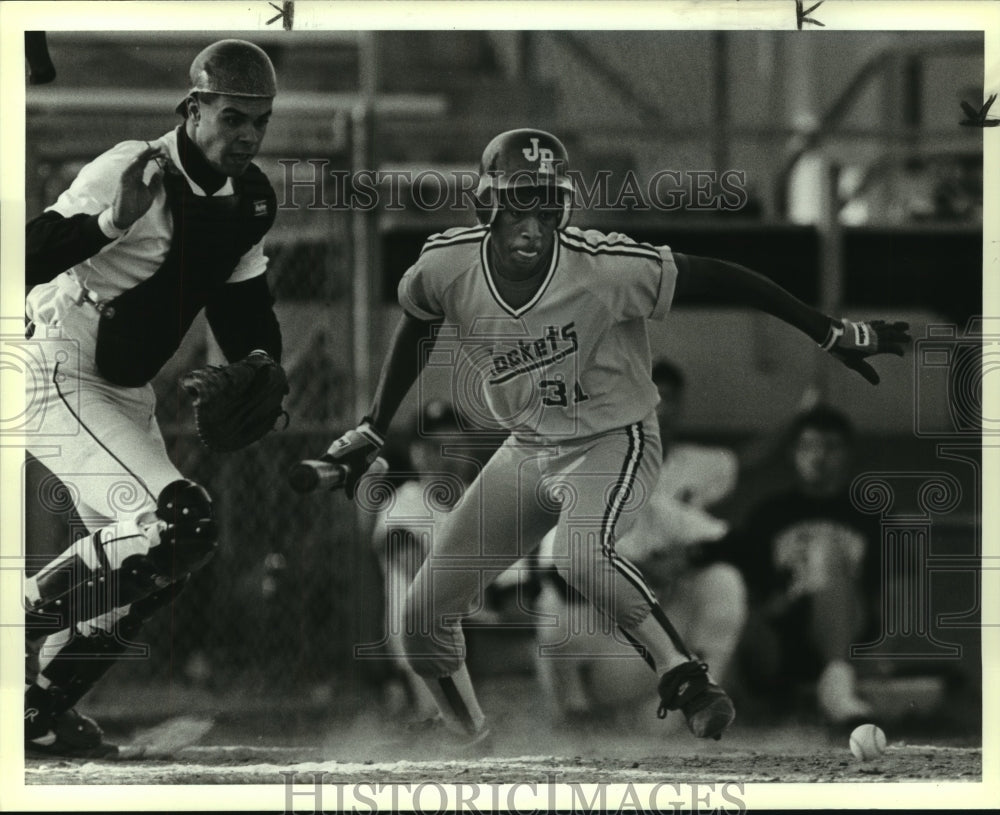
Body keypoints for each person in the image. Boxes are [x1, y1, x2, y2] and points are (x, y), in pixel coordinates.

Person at [324, 128, 909, 747]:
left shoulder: (603, 268)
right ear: (485, 204)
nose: (533, 225)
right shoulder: (446, 266)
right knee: (420, 619)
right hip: (529, 447)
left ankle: (685, 677)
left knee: (578, 553)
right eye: (518, 204)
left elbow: (721, 276)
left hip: (613, 437)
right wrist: (373, 425)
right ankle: (469, 737)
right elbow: (418, 324)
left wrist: (826, 330)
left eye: (548, 205)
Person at [23, 39, 284, 757]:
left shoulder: (248, 199)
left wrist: (263, 366)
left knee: (161, 568)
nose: (249, 135)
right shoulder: (132, 167)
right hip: (56, 365)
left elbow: (243, 312)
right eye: (233, 118)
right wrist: (109, 224)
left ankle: (34, 710)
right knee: (177, 525)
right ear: (193, 109)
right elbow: (23, 255)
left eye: (260, 121)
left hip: (121, 384)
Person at [532, 359, 747, 727]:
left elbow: (734, 543)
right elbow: (554, 577)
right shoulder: (578, 500)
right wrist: (643, 571)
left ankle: (702, 699)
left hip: (652, 663)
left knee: (724, 580)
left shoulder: (653, 506)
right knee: (551, 604)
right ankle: (572, 715)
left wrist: (685, 556)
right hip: (598, 658)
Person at [705, 406, 882, 725]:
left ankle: (836, 682)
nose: (820, 457)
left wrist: (886, 654)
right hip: (779, 640)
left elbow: (898, 591)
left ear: (848, 453)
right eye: (809, 446)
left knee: (825, 551)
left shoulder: (871, 516)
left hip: (848, 633)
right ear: (793, 453)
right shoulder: (769, 513)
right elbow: (744, 594)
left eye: (831, 447)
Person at [370, 401, 480, 719]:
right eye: (434, 447)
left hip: (481, 630)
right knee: (449, 724)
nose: (445, 457)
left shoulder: (483, 500)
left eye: (455, 446)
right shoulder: (403, 502)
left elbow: (514, 583)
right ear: (416, 453)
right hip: (426, 636)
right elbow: (421, 576)